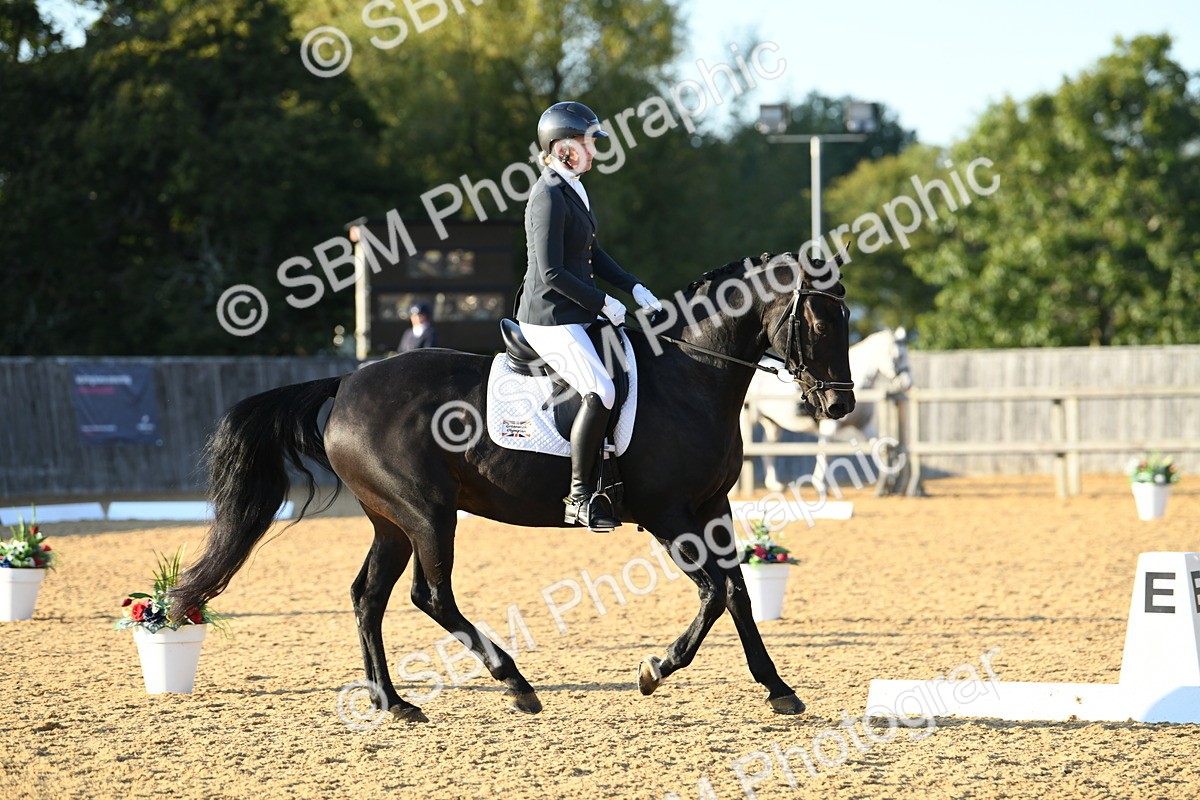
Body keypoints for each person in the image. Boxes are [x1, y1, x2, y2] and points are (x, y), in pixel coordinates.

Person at [516, 101, 663, 531]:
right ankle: (579, 497)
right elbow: (551, 271)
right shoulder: (546, 196)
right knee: (600, 389)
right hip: (550, 317)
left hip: (576, 310)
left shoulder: (573, 187)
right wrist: (602, 303)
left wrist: (633, 286)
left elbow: (591, 252)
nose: (595, 151)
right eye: (588, 143)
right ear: (563, 149)